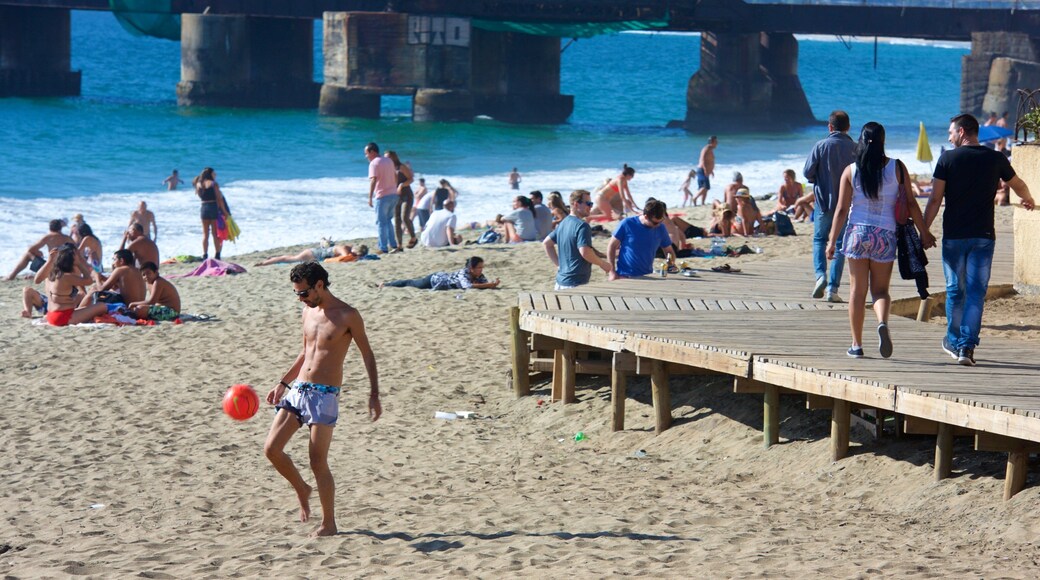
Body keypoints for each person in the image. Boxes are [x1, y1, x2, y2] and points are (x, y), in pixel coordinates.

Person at [264, 262, 381, 537]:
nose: (300, 298)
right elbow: (305, 352)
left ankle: (329, 523)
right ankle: (302, 488)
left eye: (303, 293)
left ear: (319, 285)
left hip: (325, 395)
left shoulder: (348, 315)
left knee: (317, 462)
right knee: (271, 449)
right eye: (296, 293)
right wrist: (283, 382)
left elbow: (367, 355)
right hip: (299, 390)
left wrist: (374, 394)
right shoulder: (307, 311)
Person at [923, 113, 1035, 366]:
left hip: (954, 237)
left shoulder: (947, 159)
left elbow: (935, 199)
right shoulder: (995, 158)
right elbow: (1017, 184)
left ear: (962, 131)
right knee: (975, 293)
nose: (949, 137)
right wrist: (1027, 198)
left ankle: (954, 341)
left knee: (955, 290)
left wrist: (924, 230)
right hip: (983, 236)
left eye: (951, 132)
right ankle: (967, 347)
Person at [827, 122, 935, 358]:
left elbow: (841, 209)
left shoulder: (851, 170)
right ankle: (882, 323)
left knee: (857, 292)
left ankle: (856, 345)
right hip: (884, 235)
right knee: (881, 291)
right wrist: (924, 232)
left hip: (857, 234)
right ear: (883, 141)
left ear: (861, 141)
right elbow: (911, 203)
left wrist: (831, 241)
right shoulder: (897, 167)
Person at [804, 110, 857, 302]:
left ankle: (820, 275)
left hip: (823, 201)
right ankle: (832, 290)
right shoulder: (855, 148)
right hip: (847, 203)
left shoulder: (820, 146)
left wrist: (818, 179)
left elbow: (807, 172)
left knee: (819, 240)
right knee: (841, 244)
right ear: (848, 127)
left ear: (830, 127)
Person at [544, 190, 613, 289]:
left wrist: (559, 265)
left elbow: (547, 243)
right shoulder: (582, 225)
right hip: (575, 283)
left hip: (560, 282)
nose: (591, 207)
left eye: (591, 204)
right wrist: (602, 264)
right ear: (576, 204)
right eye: (588, 203)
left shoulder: (564, 222)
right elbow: (585, 252)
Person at [24, 246, 108, 325]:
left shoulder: (50, 273)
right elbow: (89, 280)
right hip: (64, 317)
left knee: (84, 304)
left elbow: (37, 280)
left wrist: (50, 261)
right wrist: (79, 264)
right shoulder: (66, 277)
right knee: (102, 306)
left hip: (51, 315)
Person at [607, 199, 676, 279]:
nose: (658, 225)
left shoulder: (661, 228)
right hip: (625, 275)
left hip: (648, 275)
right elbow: (611, 247)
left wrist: (671, 265)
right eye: (655, 223)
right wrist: (612, 271)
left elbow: (669, 251)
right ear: (646, 216)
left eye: (661, 221)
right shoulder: (627, 224)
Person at [6, 219, 76, 281]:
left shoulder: (49, 237)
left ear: (50, 228)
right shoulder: (68, 238)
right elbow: (77, 252)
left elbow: (30, 249)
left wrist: (38, 252)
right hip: (65, 269)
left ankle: (11, 276)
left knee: (27, 255)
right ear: (60, 228)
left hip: (52, 269)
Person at [381, 256, 501, 290]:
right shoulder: (463, 273)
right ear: (471, 268)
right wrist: (489, 285)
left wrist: (493, 284)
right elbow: (467, 286)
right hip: (435, 279)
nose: (481, 270)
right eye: (479, 268)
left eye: (482, 267)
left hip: (443, 281)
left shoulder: (479, 275)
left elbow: (483, 284)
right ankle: (386, 284)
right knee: (411, 283)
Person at [80, 249, 146, 308]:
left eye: (114, 260)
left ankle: (79, 311)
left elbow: (101, 289)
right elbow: (117, 284)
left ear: (121, 261)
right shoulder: (138, 270)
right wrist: (101, 277)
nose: (113, 263)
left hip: (127, 308)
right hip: (139, 307)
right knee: (112, 289)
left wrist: (97, 277)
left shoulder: (120, 270)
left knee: (94, 289)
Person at [365, 142, 399, 254]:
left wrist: (370, 197)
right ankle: (393, 244)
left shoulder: (374, 163)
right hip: (393, 194)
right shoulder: (389, 160)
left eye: (367, 153)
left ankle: (383, 247)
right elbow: (395, 176)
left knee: (381, 222)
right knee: (388, 221)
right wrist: (394, 187)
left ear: (372, 152)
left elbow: (373, 180)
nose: (366, 156)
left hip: (382, 196)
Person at [193, 167, 230, 261]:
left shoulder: (198, 184)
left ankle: (205, 255)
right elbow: (219, 199)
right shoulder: (213, 184)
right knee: (215, 233)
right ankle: (217, 255)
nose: (215, 175)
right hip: (213, 208)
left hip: (203, 208)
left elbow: (200, 196)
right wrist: (225, 212)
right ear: (210, 174)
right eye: (214, 173)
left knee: (205, 234)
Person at [386, 151, 417, 250]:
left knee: (404, 217)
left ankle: (413, 237)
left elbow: (411, 179)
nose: (386, 159)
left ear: (393, 157)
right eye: (385, 158)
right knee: (397, 221)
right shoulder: (388, 169)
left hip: (407, 196)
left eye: (388, 157)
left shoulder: (401, 167)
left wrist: (401, 185)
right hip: (395, 197)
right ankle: (399, 245)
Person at [255, 241, 360, 266]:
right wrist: (354, 257)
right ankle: (265, 263)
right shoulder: (343, 248)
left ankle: (272, 258)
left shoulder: (344, 247)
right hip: (313, 254)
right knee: (289, 259)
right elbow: (345, 257)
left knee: (290, 258)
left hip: (314, 253)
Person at [693, 136, 717, 207]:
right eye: (716, 142)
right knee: (705, 187)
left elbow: (709, 161)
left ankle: (702, 203)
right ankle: (695, 198)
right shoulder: (706, 149)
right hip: (702, 170)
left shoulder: (710, 149)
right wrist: (706, 169)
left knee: (705, 188)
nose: (717, 143)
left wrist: (711, 170)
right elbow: (702, 160)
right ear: (712, 142)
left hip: (705, 171)